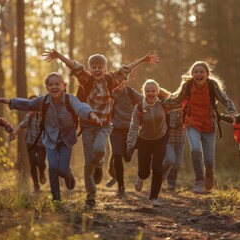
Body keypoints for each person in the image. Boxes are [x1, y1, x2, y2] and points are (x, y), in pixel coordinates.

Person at [42, 49, 158, 209]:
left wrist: (143, 59)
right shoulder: (86, 80)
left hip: (104, 126)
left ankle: (99, 164)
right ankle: (91, 197)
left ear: (105, 69)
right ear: (90, 69)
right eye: (94, 67)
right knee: (87, 164)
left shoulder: (111, 80)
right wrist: (59, 56)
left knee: (98, 150)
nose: (97, 70)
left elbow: (126, 69)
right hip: (88, 127)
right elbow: (75, 66)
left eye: (100, 67)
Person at [0, 73, 101, 202]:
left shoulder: (69, 99)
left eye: (57, 84)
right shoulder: (43, 101)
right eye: (51, 84)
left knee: (63, 169)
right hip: (50, 139)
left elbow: (80, 107)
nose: (54, 87)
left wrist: (90, 113)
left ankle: (68, 175)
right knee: (53, 167)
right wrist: (10, 101)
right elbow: (28, 104)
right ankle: (56, 199)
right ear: (47, 87)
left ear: (63, 86)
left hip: (66, 138)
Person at [164, 61, 237, 194]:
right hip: (192, 123)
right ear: (192, 75)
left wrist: (232, 111)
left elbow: (225, 99)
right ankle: (199, 180)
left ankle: (209, 175)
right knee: (196, 150)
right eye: (195, 72)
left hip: (209, 124)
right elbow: (176, 100)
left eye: (201, 72)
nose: (198, 74)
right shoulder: (187, 86)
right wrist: (161, 104)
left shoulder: (212, 85)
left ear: (207, 74)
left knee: (209, 160)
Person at [126, 79, 171, 207]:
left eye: (153, 91)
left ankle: (154, 198)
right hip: (144, 141)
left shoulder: (164, 104)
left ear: (157, 92)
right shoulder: (139, 107)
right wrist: (130, 144)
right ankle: (140, 177)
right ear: (144, 92)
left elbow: (179, 100)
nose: (150, 93)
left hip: (160, 140)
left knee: (157, 168)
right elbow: (134, 126)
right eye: (147, 91)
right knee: (144, 172)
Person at [106, 81, 143, 196]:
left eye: (121, 82)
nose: (118, 84)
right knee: (117, 156)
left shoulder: (131, 93)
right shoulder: (110, 93)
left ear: (125, 81)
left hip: (130, 129)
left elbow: (145, 102)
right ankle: (121, 186)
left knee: (127, 157)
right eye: (116, 82)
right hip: (115, 129)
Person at [13, 95, 47, 194]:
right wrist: (14, 134)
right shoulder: (30, 116)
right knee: (33, 164)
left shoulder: (47, 116)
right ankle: (36, 187)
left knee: (40, 162)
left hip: (42, 144)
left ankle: (41, 172)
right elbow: (22, 126)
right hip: (31, 143)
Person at [162, 109, 185, 191]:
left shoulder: (183, 110)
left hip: (180, 140)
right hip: (169, 140)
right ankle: (162, 172)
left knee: (178, 163)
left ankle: (171, 183)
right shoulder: (168, 111)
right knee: (170, 160)